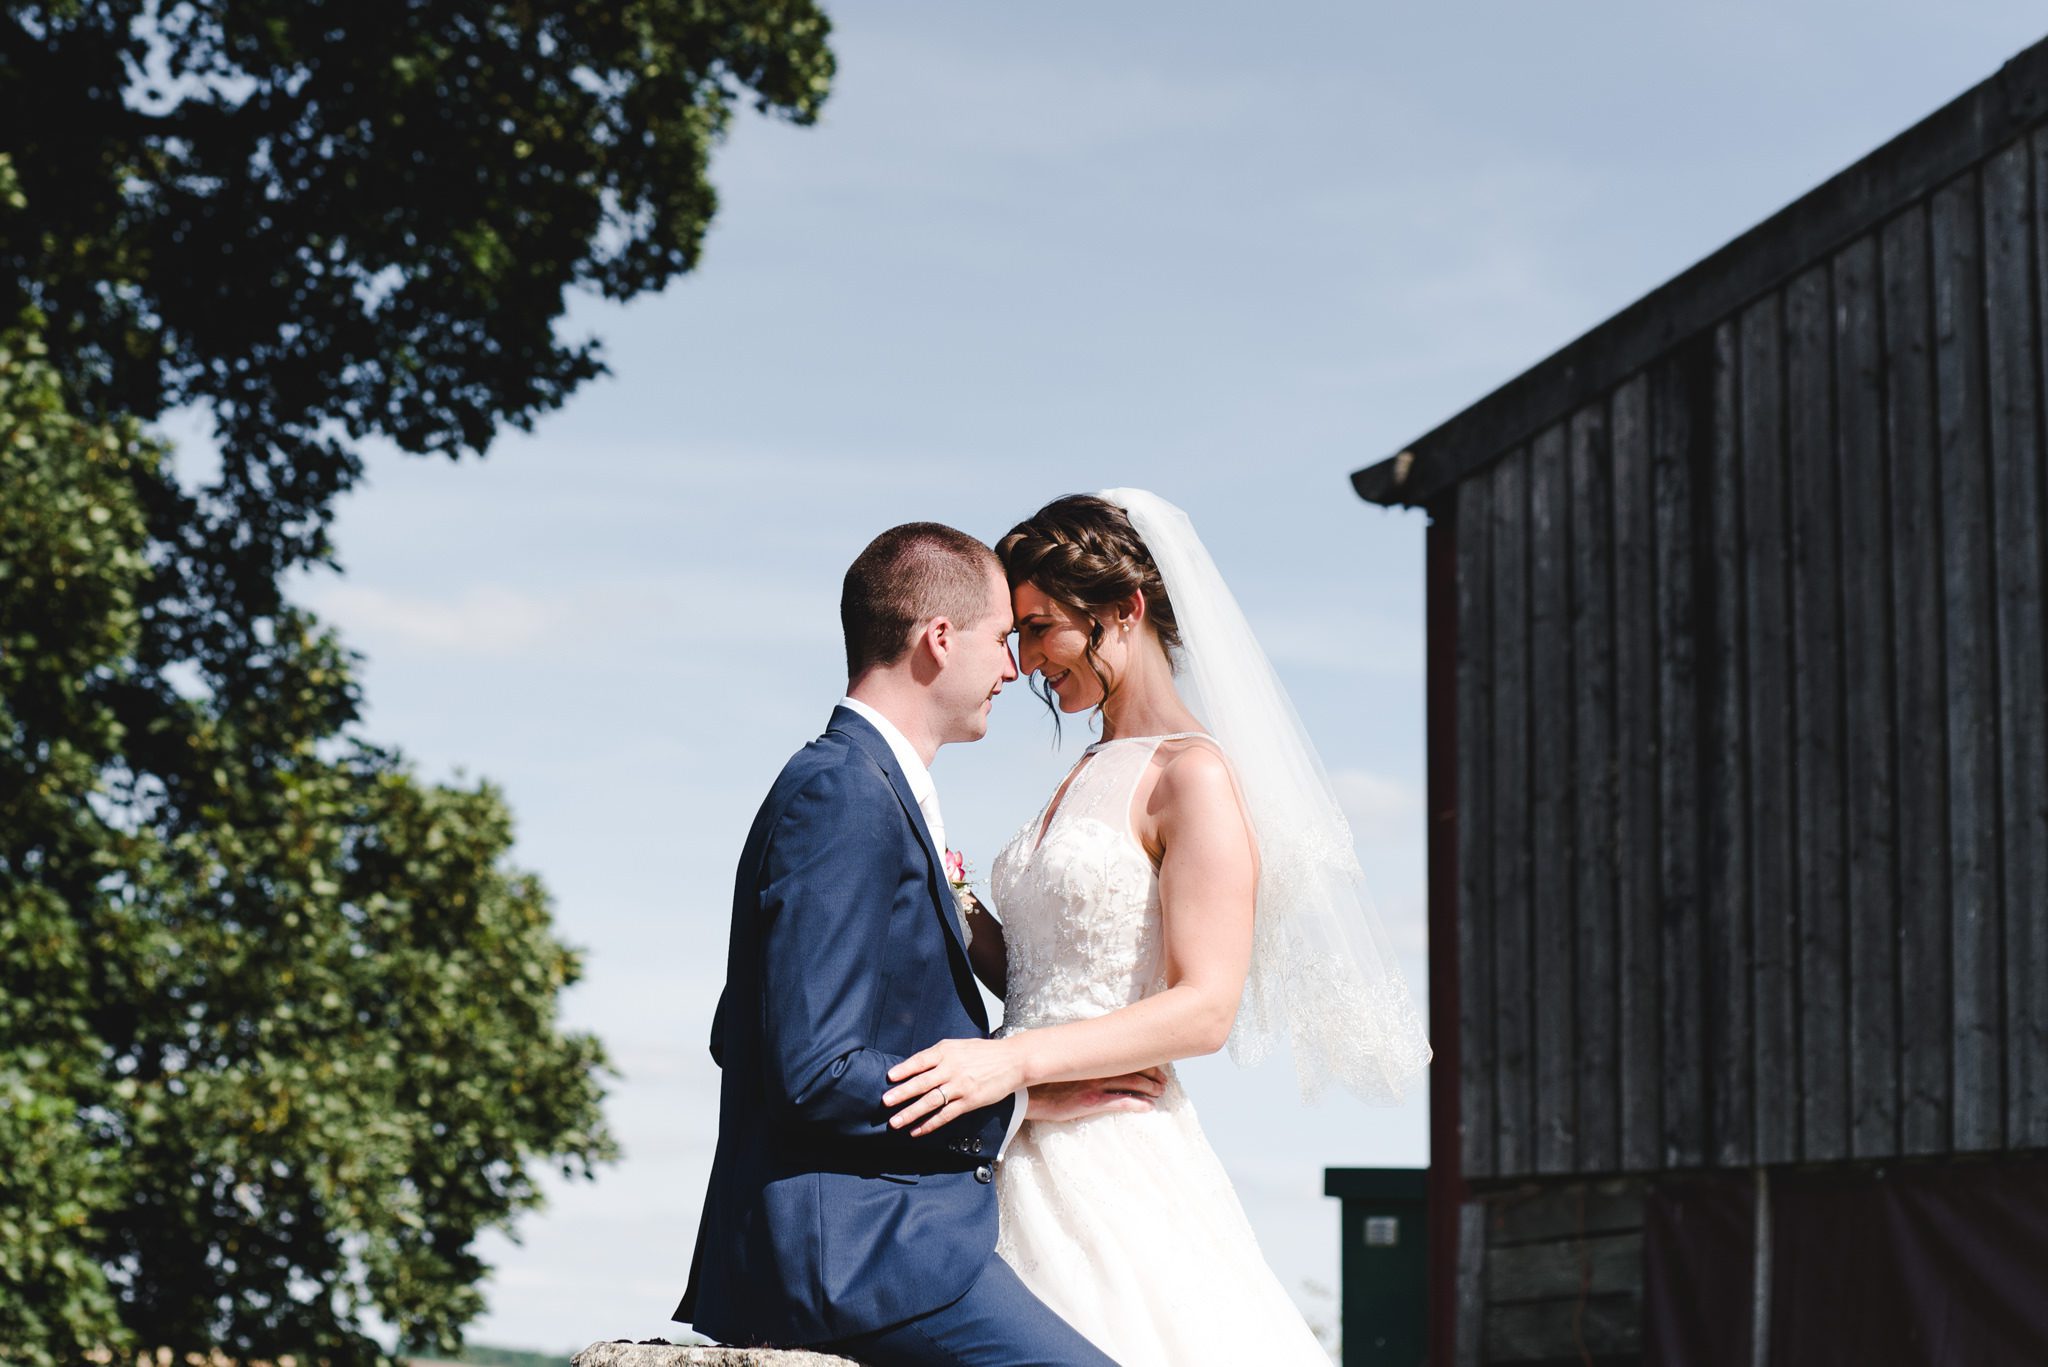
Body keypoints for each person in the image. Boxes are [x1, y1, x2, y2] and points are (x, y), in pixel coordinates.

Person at [879, 491, 1432, 1366]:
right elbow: (1039, 972)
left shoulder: (1194, 776)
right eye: (1014, 634)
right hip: (1012, 1136)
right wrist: (951, 895)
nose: (1022, 662)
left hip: (1109, 1147)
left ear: (1125, 610)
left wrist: (1010, 1060)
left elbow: (1204, 1007)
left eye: (1039, 628)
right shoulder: (1091, 767)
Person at [675, 521, 1160, 1366]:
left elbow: (750, 1029)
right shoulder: (843, 794)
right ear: (939, 640)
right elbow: (813, 1069)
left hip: (869, 1238)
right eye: (1002, 640)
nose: (1014, 668)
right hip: (855, 1254)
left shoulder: (861, 784)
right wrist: (1009, 1098)